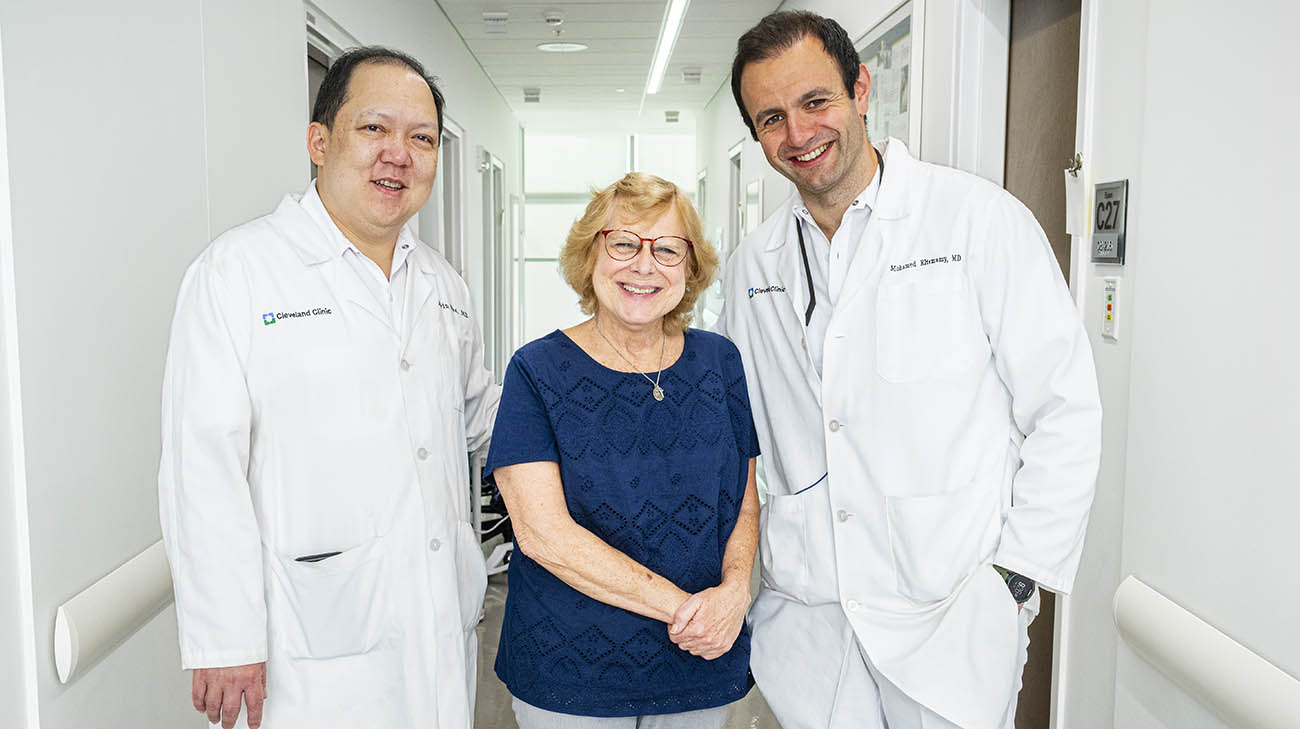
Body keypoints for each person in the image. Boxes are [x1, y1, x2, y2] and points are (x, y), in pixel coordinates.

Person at [718, 11, 1103, 729]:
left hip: (953, 614)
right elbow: (741, 434)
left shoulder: (977, 222)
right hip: (812, 622)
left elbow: (1065, 410)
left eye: (815, 102)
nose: (798, 134)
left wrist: (1017, 577)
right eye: (771, 117)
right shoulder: (752, 267)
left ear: (861, 88)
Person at [158, 47, 498, 729]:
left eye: (422, 138)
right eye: (374, 129)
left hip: (436, 617)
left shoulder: (443, 285)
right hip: (306, 639)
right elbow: (202, 464)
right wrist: (226, 638)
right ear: (320, 141)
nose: (399, 154)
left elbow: (480, 413)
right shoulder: (238, 273)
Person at [485, 172, 760, 729]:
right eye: (623, 243)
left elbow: (744, 501)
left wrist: (734, 592)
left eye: (666, 249)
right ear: (590, 256)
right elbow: (544, 536)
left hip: (698, 666)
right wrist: (689, 612)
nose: (643, 265)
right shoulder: (536, 370)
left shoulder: (719, 362)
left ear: (690, 266)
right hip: (572, 671)